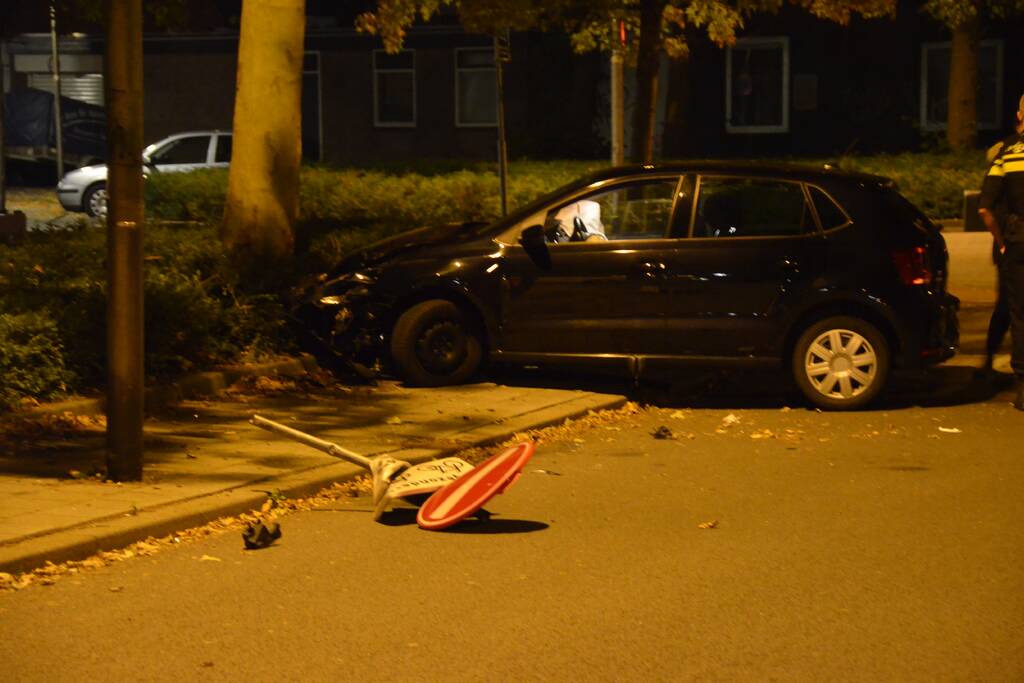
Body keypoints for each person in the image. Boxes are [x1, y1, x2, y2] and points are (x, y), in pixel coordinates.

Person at [978, 93, 1024, 410]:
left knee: (1016, 313)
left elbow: (985, 208)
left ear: (1019, 114)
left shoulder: (1005, 152)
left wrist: (1002, 241)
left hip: (1016, 242)